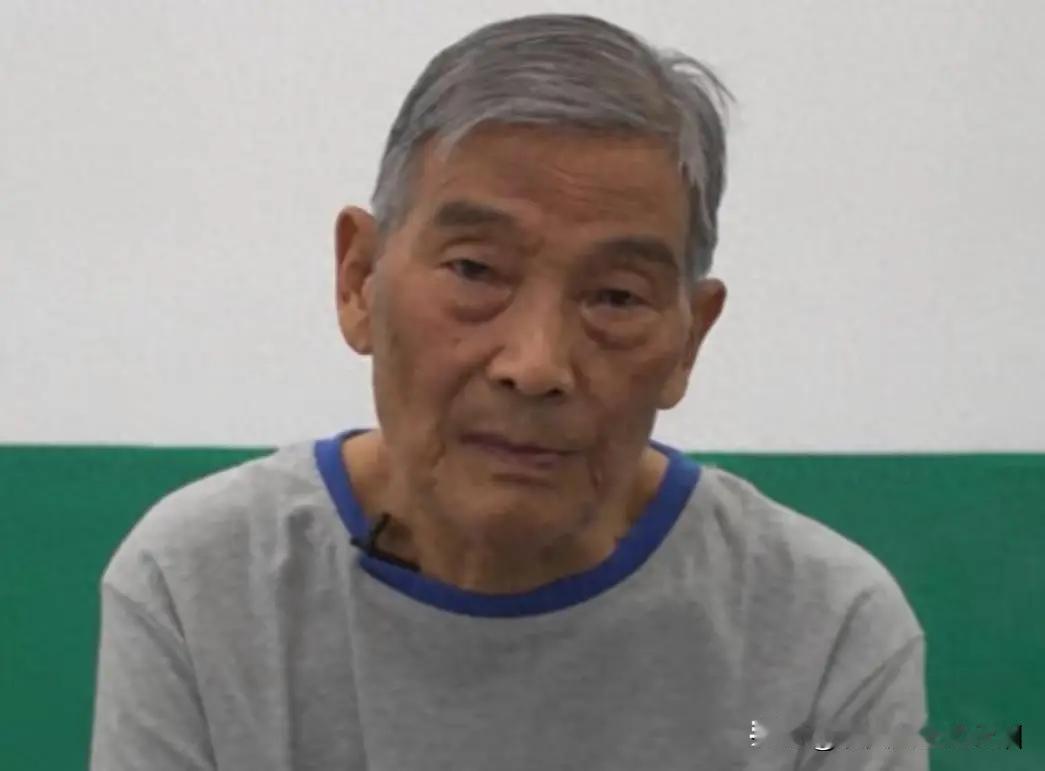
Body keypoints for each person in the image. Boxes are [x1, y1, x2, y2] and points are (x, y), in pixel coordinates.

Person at [90, 13, 928, 770]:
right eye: (475, 270)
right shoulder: (200, 587)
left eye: (614, 297)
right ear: (359, 279)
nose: (534, 364)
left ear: (689, 339)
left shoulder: (826, 631)